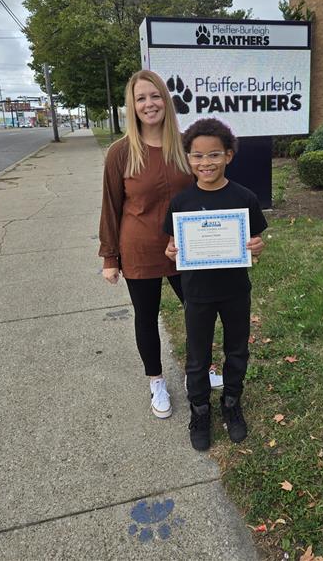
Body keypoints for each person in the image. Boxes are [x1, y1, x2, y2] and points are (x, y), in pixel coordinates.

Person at [164, 118, 267, 451]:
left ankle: (232, 403)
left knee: (237, 349)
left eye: (214, 155)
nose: (205, 163)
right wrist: (171, 250)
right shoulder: (181, 203)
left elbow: (254, 241)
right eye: (197, 156)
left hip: (235, 289)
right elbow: (172, 245)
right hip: (197, 292)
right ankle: (200, 409)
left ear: (229, 156)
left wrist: (257, 247)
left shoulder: (245, 197)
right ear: (188, 159)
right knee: (198, 355)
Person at [98, 70, 194, 419]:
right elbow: (111, 206)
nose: (149, 104)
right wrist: (110, 257)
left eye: (155, 96)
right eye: (141, 98)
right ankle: (156, 381)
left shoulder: (186, 145)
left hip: (187, 249)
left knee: (197, 310)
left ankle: (198, 370)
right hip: (139, 248)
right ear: (132, 106)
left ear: (165, 101)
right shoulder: (121, 153)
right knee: (146, 317)